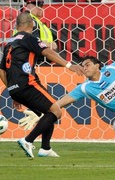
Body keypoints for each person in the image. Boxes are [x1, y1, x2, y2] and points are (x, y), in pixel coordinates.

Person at [0, 12, 84, 158]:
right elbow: (47, 52)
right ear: (32, 24)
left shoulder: (9, 43)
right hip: (28, 83)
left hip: (15, 87)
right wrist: (69, 65)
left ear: (16, 25)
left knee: (48, 112)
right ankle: (27, 140)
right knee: (56, 111)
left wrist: (12, 90)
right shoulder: (29, 38)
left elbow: (1, 70)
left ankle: (45, 148)